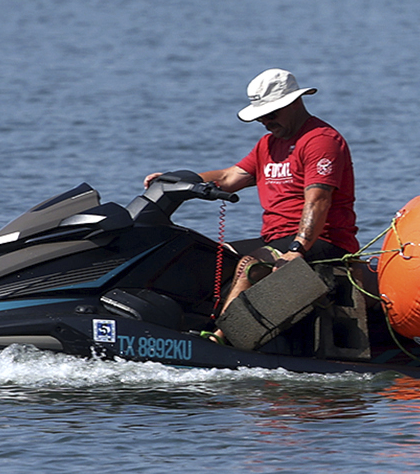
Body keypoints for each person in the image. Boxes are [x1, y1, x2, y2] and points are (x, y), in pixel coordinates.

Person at [148, 68, 358, 315]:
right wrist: (173, 180)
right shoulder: (267, 145)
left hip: (323, 242)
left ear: (294, 102)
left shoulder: (321, 140)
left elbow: (319, 201)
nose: (266, 122)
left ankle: (221, 338)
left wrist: (297, 249)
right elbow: (228, 178)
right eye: (262, 117)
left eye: (271, 114)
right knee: (207, 256)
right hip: (274, 238)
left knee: (250, 265)